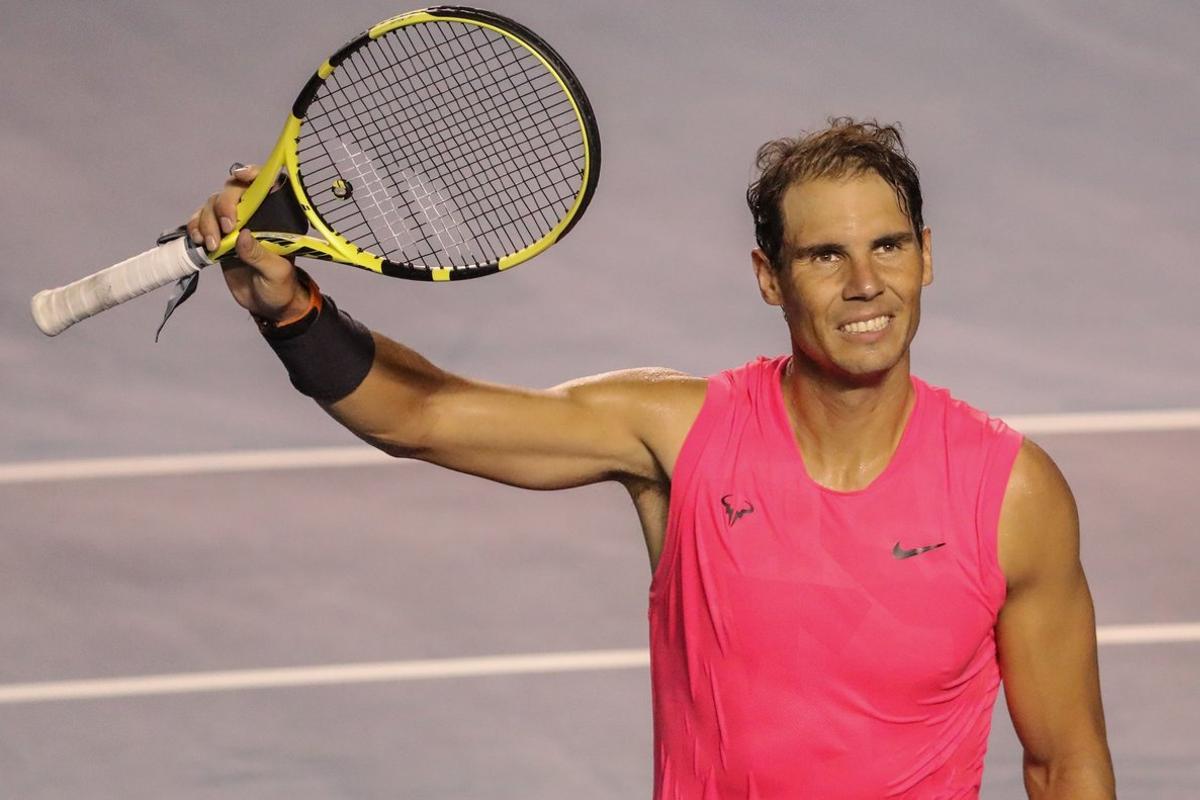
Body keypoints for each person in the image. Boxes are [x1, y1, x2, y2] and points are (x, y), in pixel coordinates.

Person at [188, 118, 1116, 798]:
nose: (866, 282)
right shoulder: (677, 434)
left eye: (888, 246)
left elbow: (1063, 759)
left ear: (925, 257)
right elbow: (425, 416)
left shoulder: (1012, 493)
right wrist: (293, 311)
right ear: (769, 278)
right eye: (826, 255)